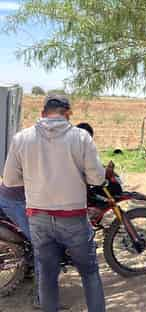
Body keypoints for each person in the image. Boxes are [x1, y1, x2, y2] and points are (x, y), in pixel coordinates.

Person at [3, 95, 106, 312]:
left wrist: (34, 178)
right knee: (89, 273)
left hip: (39, 219)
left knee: (48, 276)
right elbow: (97, 179)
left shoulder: (21, 138)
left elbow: (10, 180)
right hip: (73, 219)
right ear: (68, 113)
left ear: (42, 113)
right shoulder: (81, 138)